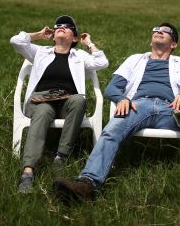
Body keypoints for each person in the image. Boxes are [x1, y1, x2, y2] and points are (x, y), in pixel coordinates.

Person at [53, 22, 180, 201]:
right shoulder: (135, 59)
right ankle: (87, 184)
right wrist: (122, 99)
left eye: (166, 31)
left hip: (171, 111)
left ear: (173, 44)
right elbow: (112, 88)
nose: (159, 32)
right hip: (138, 106)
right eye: (156, 29)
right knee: (112, 130)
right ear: (151, 40)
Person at [11, 15, 109, 194]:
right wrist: (39, 35)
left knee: (80, 99)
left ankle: (60, 157)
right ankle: (28, 172)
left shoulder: (79, 56)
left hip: (66, 104)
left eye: (68, 26)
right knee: (42, 111)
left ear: (74, 38)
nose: (61, 27)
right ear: (53, 35)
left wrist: (89, 43)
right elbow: (16, 41)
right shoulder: (40, 52)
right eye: (58, 26)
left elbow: (102, 62)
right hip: (40, 101)